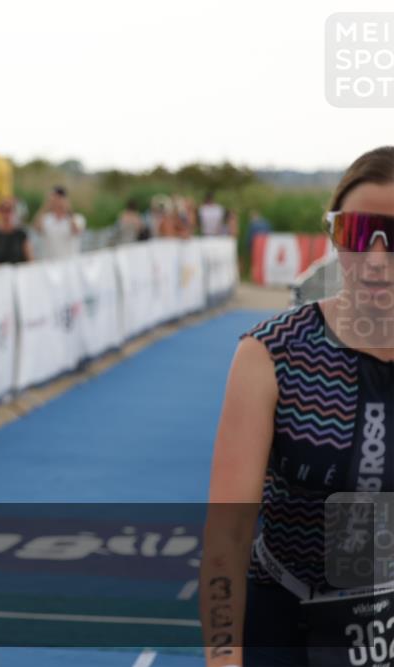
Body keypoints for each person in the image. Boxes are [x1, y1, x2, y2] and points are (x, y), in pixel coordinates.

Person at [201, 146, 394, 667]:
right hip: (286, 623)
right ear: (334, 237)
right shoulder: (271, 353)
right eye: (356, 233)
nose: (376, 258)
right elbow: (228, 536)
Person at [33, 186, 85, 260]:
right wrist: (45, 207)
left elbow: (77, 231)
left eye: (58, 198)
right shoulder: (46, 219)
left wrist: (68, 210)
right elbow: (36, 228)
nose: (56, 202)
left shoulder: (77, 218)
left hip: (69, 264)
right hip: (49, 264)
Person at [0, 198, 33, 266]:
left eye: (9, 210)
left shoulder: (21, 234)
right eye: (3, 210)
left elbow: (29, 259)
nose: (6, 214)